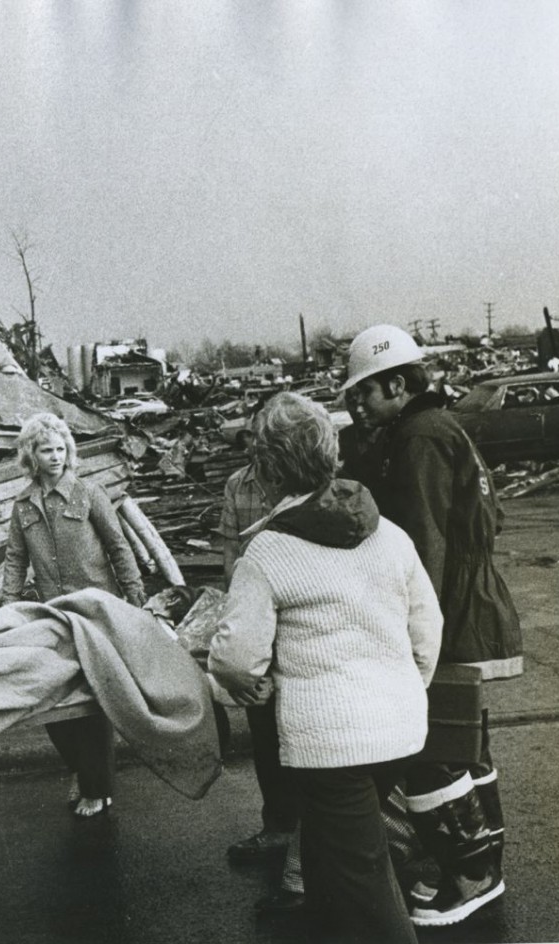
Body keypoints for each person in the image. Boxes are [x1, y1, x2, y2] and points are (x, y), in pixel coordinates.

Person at [209, 392, 442, 944]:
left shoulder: (266, 553)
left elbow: (236, 656)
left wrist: (246, 684)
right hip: (401, 727)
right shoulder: (388, 534)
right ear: (332, 452)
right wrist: (402, 687)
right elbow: (427, 629)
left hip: (330, 745)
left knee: (364, 884)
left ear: (266, 469)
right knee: (326, 856)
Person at [341, 324, 522, 927]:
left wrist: (414, 632)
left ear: (396, 383)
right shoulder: (437, 427)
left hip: (447, 612)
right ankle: (482, 865)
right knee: (465, 742)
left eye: (364, 391)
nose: (356, 404)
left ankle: (470, 878)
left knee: (434, 749)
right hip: (471, 604)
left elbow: (424, 547)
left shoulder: (418, 440)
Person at [0, 412, 146, 818]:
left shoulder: (88, 493)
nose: (56, 456)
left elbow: (118, 547)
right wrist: (9, 607)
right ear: (31, 455)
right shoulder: (23, 505)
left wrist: (134, 596)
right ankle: (83, 769)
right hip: (56, 615)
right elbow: (15, 559)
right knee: (53, 704)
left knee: (92, 702)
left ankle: (97, 787)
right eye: (47, 449)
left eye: (61, 448)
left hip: (97, 612)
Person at [218, 453, 303, 910]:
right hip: (255, 605)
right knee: (263, 726)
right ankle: (278, 826)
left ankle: (306, 839)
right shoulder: (239, 483)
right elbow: (231, 548)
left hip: (292, 612)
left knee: (301, 729)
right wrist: (238, 601)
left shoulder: (302, 478)